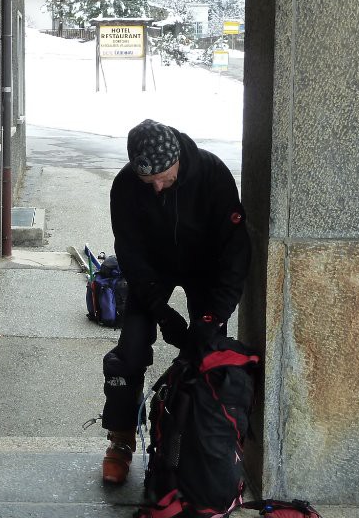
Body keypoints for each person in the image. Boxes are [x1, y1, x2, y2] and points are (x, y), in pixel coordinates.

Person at [101, 119, 251, 484]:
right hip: (152, 270)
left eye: (164, 178)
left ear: (178, 160)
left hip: (204, 268)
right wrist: (161, 313)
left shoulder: (212, 175)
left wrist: (211, 317)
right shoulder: (125, 186)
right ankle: (120, 440)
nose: (156, 187)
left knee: (205, 353)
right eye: (147, 181)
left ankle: (201, 441)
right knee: (130, 351)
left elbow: (235, 255)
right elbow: (131, 255)